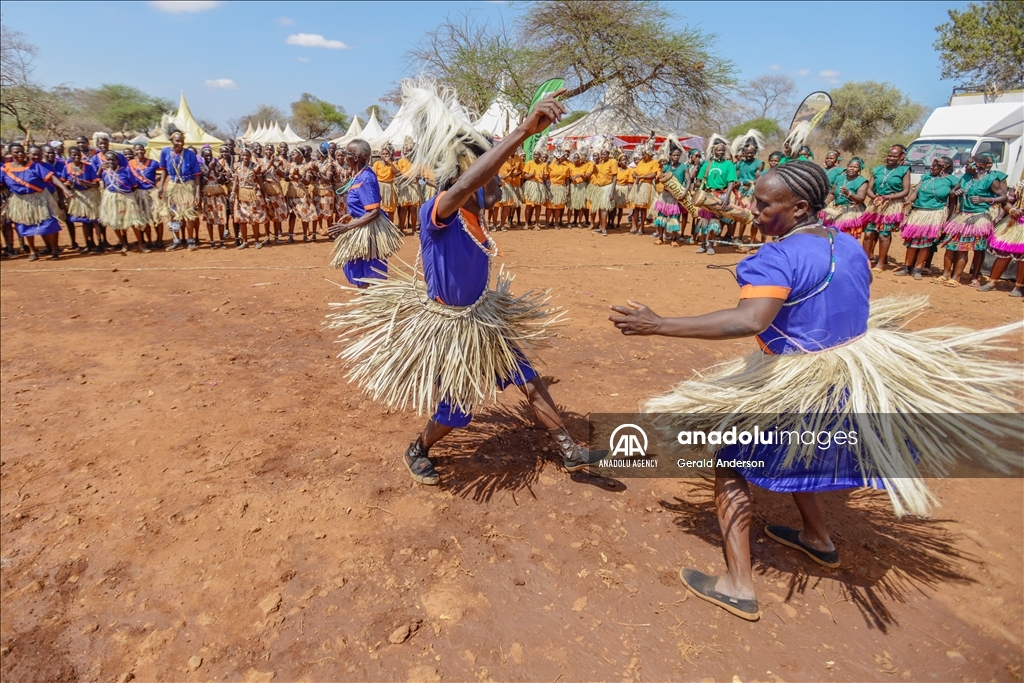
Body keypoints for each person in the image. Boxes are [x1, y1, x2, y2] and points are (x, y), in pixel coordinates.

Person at [609, 160, 1022, 621]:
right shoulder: (847, 244)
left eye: (764, 204)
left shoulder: (776, 257)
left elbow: (750, 321)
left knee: (730, 464)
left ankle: (738, 586)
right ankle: (818, 539)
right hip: (848, 385)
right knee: (798, 452)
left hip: (803, 386)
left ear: (800, 206)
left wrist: (659, 324)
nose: (754, 208)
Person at [326, 80, 604, 487]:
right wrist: (523, 130)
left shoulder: (477, 216)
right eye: (491, 175)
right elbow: (466, 184)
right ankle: (419, 448)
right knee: (456, 413)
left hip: (481, 320)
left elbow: (477, 182)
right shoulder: (437, 212)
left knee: (528, 378)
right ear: (467, 173)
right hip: (449, 330)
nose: (498, 183)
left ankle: (569, 449)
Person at [325, 139, 403, 287]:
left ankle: (374, 304)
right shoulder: (358, 175)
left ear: (356, 157)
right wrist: (352, 215)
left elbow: (374, 212)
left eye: (347, 153)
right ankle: (367, 299)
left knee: (371, 272)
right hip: (360, 225)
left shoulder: (366, 177)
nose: (344, 155)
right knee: (357, 268)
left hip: (369, 232)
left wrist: (347, 227)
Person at [939, 154, 1007, 286]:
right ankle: (947, 274)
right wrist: (955, 193)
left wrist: (985, 199)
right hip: (962, 216)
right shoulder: (966, 177)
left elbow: (1003, 197)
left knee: (976, 248)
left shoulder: (991, 179)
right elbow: (953, 192)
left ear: (979, 166)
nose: (965, 166)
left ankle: (972, 276)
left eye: (969, 163)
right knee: (953, 246)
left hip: (979, 217)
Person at [1, 143, 73, 260]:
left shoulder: (34, 166)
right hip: (21, 200)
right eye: (16, 152)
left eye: (21, 151)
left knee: (49, 223)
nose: (20, 154)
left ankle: (54, 250)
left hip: (39, 198)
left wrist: (64, 189)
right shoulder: (5, 168)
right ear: (10, 153)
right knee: (25, 225)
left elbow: (52, 177)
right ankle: (33, 252)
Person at [895, 156, 958, 280]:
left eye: (935, 165)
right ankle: (907, 267)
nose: (931, 167)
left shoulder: (952, 180)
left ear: (944, 168)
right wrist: (908, 202)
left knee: (926, 243)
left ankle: (918, 269)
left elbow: (953, 201)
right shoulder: (926, 177)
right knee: (912, 241)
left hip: (935, 213)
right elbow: (915, 192)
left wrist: (949, 218)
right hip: (918, 212)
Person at [863, 145, 911, 271]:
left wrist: (888, 198)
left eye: (895, 156)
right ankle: (865, 261)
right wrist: (875, 198)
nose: (891, 158)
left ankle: (880, 263)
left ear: (901, 157)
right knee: (869, 233)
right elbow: (869, 189)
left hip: (891, 205)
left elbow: (906, 191)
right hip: (876, 204)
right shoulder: (877, 169)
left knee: (883, 234)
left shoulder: (904, 170)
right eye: (890, 155)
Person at [692, 137, 737, 255]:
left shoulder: (729, 164)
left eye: (723, 150)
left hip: (720, 195)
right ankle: (703, 244)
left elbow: (731, 182)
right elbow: (699, 180)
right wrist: (696, 183)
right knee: (703, 221)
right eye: (719, 150)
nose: (721, 152)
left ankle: (711, 245)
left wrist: (727, 198)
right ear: (713, 151)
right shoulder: (707, 164)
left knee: (714, 222)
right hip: (707, 195)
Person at [158, 130, 202, 251]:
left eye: (182, 141)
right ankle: (176, 240)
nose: (180, 143)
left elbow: (197, 174)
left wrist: (197, 193)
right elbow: (164, 170)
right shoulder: (165, 152)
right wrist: (161, 186)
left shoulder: (189, 154)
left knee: (188, 214)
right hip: (173, 186)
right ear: (171, 141)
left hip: (187, 186)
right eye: (177, 141)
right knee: (174, 215)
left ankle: (190, 240)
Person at [979, 177, 1024, 296]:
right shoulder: (1019, 185)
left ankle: (1019, 287)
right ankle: (992, 282)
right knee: (1003, 254)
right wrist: (1012, 210)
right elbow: (1006, 202)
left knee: (1022, 257)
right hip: (1014, 222)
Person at [98, 151, 147, 254]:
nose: (111, 161)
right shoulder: (105, 172)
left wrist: (126, 195)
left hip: (126, 198)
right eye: (109, 159)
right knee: (115, 222)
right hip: (111, 199)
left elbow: (134, 185)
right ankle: (124, 244)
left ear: (118, 160)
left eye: (113, 159)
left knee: (134, 222)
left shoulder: (126, 171)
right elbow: (100, 180)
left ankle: (140, 244)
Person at [60, 145, 101, 253]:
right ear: (70, 156)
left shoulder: (88, 166)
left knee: (95, 221)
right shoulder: (67, 167)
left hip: (91, 195)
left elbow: (96, 184)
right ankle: (89, 243)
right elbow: (63, 181)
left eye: (78, 155)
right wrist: (67, 185)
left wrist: (85, 183)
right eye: (74, 155)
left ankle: (100, 243)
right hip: (78, 197)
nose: (77, 157)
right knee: (85, 222)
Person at [127, 143, 165, 250]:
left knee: (156, 217)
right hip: (138, 193)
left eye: (141, 150)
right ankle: (148, 241)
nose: (139, 152)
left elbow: (164, 170)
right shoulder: (130, 164)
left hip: (152, 192)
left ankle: (159, 240)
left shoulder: (152, 163)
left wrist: (158, 182)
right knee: (144, 218)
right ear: (133, 152)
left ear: (145, 151)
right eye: (137, 150)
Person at [732, 131, 766, 246]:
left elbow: (758, 179)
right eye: (747, 153)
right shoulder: (739, 164)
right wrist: (737, 184)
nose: (749, 155)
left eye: (751, 153)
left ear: (755, 152)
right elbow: (735, 177)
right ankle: (731, 236)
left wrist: (746, 184)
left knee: (744, 214)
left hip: (750, 192)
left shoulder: (758, 163)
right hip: (738, 191)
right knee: (732, 213)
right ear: (744, 152)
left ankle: (740, 237)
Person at [822, 158, 868, 238]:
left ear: (859, 169)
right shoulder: (840, 178)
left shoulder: (862, 181)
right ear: (847, 167)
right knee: (832, 235)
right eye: (850, 166)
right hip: (837, 210)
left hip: (851, 211)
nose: (852, 168)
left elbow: (861, 199)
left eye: (855, 167)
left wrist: (849, 194)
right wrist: (825, 203)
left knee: (847, 237)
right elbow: (832, 193)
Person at [651, 141, 686, 244]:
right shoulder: (666, 167)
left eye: (678, 155)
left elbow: (688, 181)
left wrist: (685, 193)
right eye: (674, 155)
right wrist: (659, 177)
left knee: (674, 217)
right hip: (665, 195)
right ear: (670, 156)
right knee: (661, 217)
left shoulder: (684, 167)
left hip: (676, 196)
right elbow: (657, 181)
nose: (676, 157)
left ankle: (674, 239)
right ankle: (661, 238)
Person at [232, 148, 268, 249]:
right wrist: (232, 193)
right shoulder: (237, 166)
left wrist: (265, 196)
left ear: (250, 156)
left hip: (254, 195)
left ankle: (256, 241)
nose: (245, 157)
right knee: (242, 220)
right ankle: (245, 242)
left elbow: (260, 182)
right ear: (240, 156)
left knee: (254, 219)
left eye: (247, 155)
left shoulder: (255, 167)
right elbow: (235, 181)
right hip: (241, 196)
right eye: (243, 155)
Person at [199, 146, 230, 248]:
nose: (208, 157)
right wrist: (209, 171)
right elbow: (201, 183)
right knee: (210, 218)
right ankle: (212, 241)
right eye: (206, 155)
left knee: (221, 218)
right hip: (208, 196)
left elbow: (222, 181)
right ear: (202, 156)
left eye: (210, 155)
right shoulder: (201, 167)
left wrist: (215, 170)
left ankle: (221, 241)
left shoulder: (218, 165)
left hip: (219, 195)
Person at [286, 148, 317, 242]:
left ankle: (305, 236)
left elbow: (307, 182)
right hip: (291, 193)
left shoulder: (307, 167)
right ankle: (290, 236)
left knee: (305, 215)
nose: (292, 156)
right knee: (292, 215)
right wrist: (291, 176)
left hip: (302, 194)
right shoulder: (290, 165)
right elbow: (286, 178)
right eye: (292, 154)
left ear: (300, 155)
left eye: (294, 154)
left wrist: (299, 175)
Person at [588, 137, 618, 236]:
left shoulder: (612, 162)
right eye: (601, 154)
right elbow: (596, 174)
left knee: (604, 207)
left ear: (609, 154)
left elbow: (614, 177)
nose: (602, 155)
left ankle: (604, 229)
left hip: (607, 187)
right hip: (599, 187)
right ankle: (601, 227)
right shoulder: (600, 163)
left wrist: (612, 192)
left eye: (604, 154)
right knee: (600, 207)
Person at [260, 143, 289, 242]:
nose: (268, 151)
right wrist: (269, 165)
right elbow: (259, 175)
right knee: (266, 214)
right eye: (266, 149)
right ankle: (267, 237)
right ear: (264, 151)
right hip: (265, 189)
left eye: (270, 149)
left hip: (276, 189)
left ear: (273, 151)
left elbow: (283, 175)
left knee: (277, 213)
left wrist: (274, 165)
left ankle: (276, 237)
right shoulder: (260, 161)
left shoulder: (279, 161)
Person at [630, 143, 659, 235]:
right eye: (642, 153)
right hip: (638, 186)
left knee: (643, 209)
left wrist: (641, 177)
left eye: (644, 153)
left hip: (646, 186)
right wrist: (635, 176)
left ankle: (641, 227)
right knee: (635, 208)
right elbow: (634, 172)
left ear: (649, 154)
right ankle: (634, 226)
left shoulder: (654, 162)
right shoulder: (641, 162)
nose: (642, 155)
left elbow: (654, 174)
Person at [394, 137, 422, 234]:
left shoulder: (417, 162)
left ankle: (414, 229)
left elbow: (419, 174)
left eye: (410, 150)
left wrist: (417, 178)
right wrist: (409, 178)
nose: (408, 152)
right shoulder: (401, 161)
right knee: (404, 209)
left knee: (413, 209)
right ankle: (401, 229)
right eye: (407, 150)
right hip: (404, 187)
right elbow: (399, 174)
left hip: (414, 187)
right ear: (404, 151)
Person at [522, 146, 548, 230]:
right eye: (534, 154)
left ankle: (537, 223)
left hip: (540, 186)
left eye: (537, 154)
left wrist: (543, 176)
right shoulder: (529, 163)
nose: (535, 156)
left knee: (538, 205)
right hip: (530, 185)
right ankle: (526, 223)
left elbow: (546, 177)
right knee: (528, 205)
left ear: (540, 155)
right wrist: (531, 175)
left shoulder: (544, 165)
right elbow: (525, 176)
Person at [372, 143, 399, 221]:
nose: (385, 156)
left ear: (390, 155)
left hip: (389, 188)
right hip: (380, 187)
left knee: (390, 210)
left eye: (387, 154)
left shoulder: (393, 164)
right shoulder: (377, 164)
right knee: (380, 208)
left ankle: (390, 228)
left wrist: (390, 163)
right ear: (381, 155)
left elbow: (397, 173)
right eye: (383, 154)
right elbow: (374, 176)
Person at [612, 152, 634, 231]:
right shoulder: (616, 169)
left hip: (623, 189)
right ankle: (611, 223)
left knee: (620, 208)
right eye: (623, 160)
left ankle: (618, 223)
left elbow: (630, 183)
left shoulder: (629, 170)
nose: (624, 161)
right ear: (619, 161)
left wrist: (629, 194)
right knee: (613, 208)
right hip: (616, 189)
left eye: (625, 160)